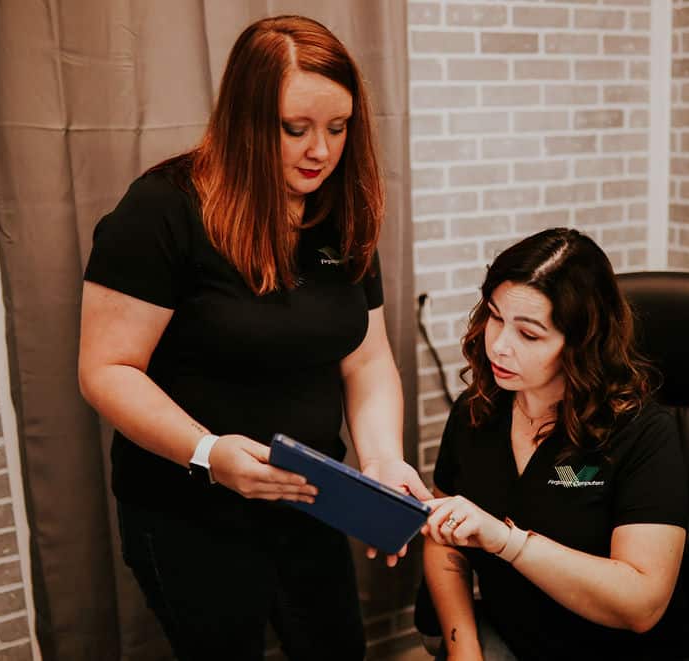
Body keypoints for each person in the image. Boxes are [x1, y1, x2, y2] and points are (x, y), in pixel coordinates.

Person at [77, 15, 429, 661]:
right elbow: (107, 368)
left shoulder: (339, 209)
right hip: (188, 514)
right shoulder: (163, 210)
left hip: (309, 499)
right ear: (245, 116)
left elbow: (368, 358)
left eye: (337, 127)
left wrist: (379, 460)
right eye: (294, 129)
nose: (319, 151)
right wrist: (209, 452)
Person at [421, 228, 689, 660]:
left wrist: (505, 541)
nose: (499, 346)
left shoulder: (641, 432)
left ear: (582, 344)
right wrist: (463, 646)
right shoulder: (478, 412)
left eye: (528, 335)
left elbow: (642, 604)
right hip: (508, 638)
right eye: (494, 317)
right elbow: (442, 541)